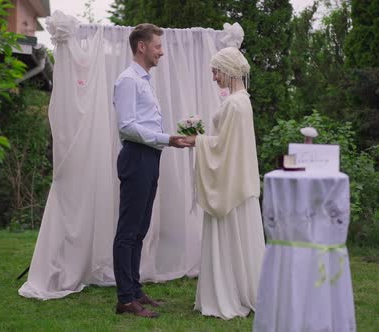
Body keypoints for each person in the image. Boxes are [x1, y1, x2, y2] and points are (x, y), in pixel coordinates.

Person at [112, 23, 190, 319]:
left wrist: (167, 140)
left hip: (150, 157)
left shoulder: (143, 80)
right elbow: (127, 127)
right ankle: (124, 299)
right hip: (137, 157)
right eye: (157, 46)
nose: (161, 51)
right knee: (128, 230)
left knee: (140, 228)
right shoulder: (128, 80)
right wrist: (167, 139)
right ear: (142, 47)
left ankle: (134, 289)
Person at [183, 47, 266, 320]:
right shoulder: (243, 101)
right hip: (239, 182)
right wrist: (204, 139)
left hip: (229, 185)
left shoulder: (233, 104)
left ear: (229, 70)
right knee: (243, 242)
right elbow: (227, 144)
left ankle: (228, 295)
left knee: (229, 237)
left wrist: (197, 140)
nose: (214, 77)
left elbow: (221, 146)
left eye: (216, 71)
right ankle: (244, 289)